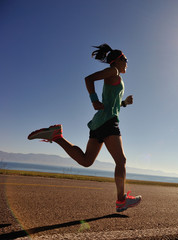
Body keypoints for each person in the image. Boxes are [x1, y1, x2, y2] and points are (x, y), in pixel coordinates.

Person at [28, 44, 141, 212]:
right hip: (109, 122)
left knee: (87, 161)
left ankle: (57, 136)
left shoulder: (115, 75)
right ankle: (121, 200)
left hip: (99, 123)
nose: (127, 63)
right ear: (117, 61)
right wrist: (94, 99)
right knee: (121, 161)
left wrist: (124, 103)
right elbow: (88, 79)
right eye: (125, 59)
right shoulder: (113, 72)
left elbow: (111, 103)